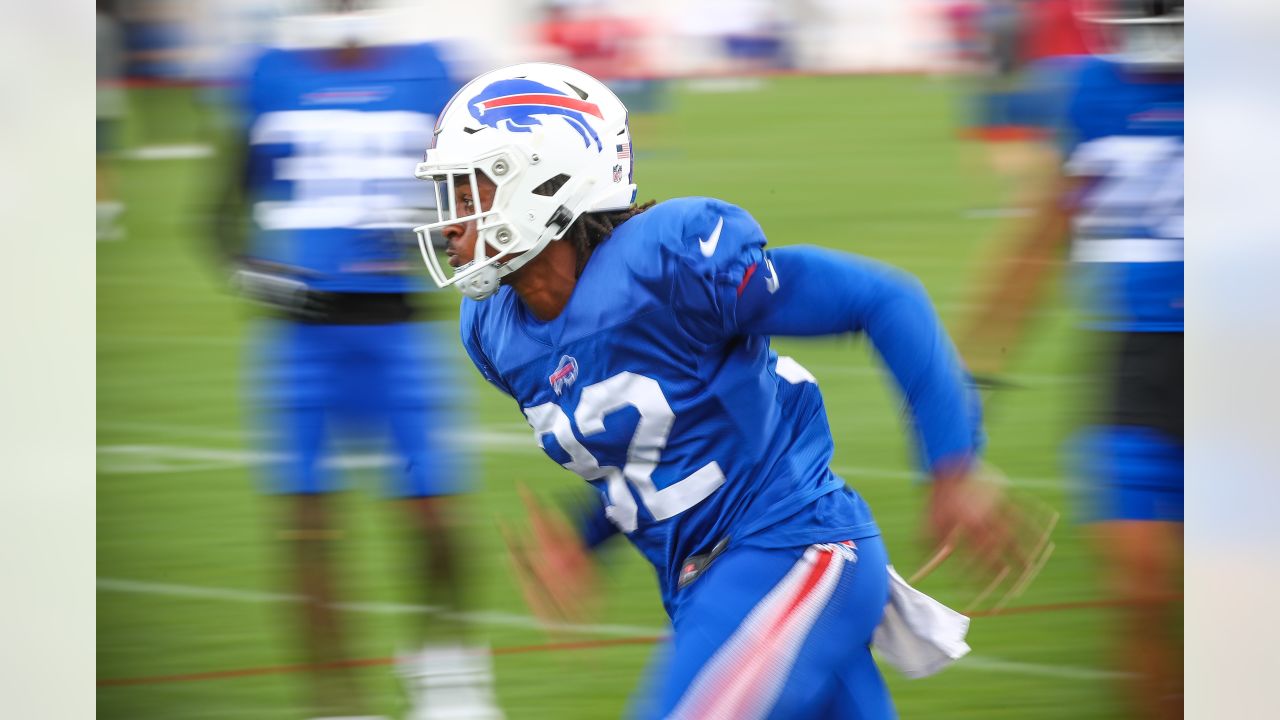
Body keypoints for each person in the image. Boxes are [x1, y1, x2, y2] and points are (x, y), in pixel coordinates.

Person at [411, 62, 1039, 718]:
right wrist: (585, 534)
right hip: (702, 588)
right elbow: (652, 447)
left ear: (546, 181)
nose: (451, 221)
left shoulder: (670, 265)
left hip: (789, 546)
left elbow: (884, 298)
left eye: (470, 189)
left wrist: (953, 463)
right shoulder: (495, 331)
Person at [209, 4, 502, 719]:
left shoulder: (430, 66)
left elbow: (475, 193)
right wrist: (254, 271)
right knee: (310, 529)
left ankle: (447, 678)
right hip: (301, 337)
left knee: (437, 520)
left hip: (398, 329)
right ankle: (336, 703)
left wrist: (450, 231)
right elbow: (218, 216)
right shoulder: (268, 72)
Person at [960, 2, 1184, 717]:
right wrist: (970, 378)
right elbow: (1040, 237)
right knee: (1141, 590)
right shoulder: (1093, 92)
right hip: (1135, 365)